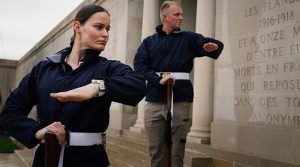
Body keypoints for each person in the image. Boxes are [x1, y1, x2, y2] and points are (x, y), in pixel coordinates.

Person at [0, 4, 146, 167]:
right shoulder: (43, 69)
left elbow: (138, 85)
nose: (105, 34)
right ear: (78, 27)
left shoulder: (107, 68)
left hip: (89, 160)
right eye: (99, 27)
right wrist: (37, 131)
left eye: (108, 29)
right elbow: (9, 113)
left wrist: (98, 87)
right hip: (46, 159)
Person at [134, 1, 224, 167]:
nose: (181, 18)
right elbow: (139, 67)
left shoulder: (189, 38)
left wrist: (213, 46)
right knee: (156, 151)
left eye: (182, 14)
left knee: (177, 152)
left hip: (180, 100)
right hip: (154, 101)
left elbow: (211, 44)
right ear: (164, 17)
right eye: (177, 15)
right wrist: (158, 80)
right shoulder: (149, 42)